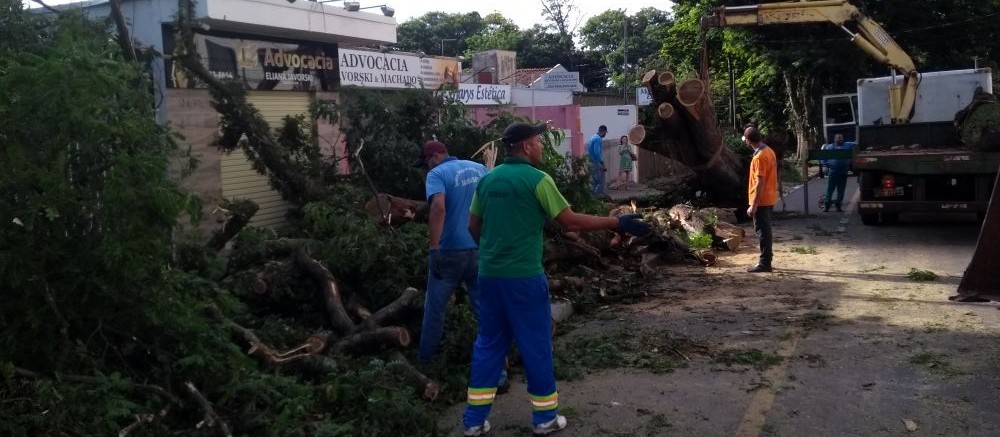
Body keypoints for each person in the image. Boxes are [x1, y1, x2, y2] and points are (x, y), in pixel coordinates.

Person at [461, 121, 651, 436]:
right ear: (525, 147)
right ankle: (545, 418)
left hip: (490, 276)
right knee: (535, 344)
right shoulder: (538, 180)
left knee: (489, 344)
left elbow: (472, 228)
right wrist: (617, 224)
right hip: (524, 277)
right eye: (537, 142)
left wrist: (497, 248)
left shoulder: (488, 180)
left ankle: (473, 421)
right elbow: (569, 221)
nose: (540, 147)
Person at [415, 140, 487, 362]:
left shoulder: (437, 174)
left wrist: (434, 248)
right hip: (478, 249)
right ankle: (496, 366)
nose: (427, 167)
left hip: (449, 252)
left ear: (434, 156)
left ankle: (426, 363)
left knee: (435, 309)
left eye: (427, 163)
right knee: (484, 310)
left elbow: (438, 207)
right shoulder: (480, 169)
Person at [744, 126, 778, 273]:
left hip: (761, 200)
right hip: (769, 197)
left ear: (748, 141)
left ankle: (765, 262)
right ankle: (767, 258)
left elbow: (760, 182)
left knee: (762, 231)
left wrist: (754, 204)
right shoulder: (769, 151)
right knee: (766, 230)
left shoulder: (759, 157)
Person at [823, 134, 854, 212]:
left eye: (841, 138)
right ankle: (827, 205)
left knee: (841, 190)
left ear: (843, 139)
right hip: (833, 172)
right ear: (834, 139)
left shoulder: (848, 145)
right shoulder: (830, 147)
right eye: (838, 138)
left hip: (843, 172)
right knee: (830, 189)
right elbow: (823, 156)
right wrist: (824, 166)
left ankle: (838, 205)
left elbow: (856, 143)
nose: (839, 139)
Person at [586, 125, 608, 196]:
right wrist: (602, 163)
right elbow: (597, 153)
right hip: (596, 163)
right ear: (603, 131)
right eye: (605, 133)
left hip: (590, 161)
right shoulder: (598, 139)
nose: (605, 134)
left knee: (593, 182)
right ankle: (599, 199)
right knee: (599, 182)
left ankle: (592, 199)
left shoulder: (592, 137)